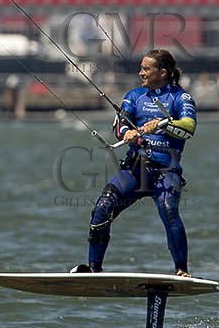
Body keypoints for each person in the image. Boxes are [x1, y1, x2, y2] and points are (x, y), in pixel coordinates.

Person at [72, 48, 197, 277]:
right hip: (136, 169)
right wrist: (127, 132)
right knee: (103, 207)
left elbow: (189, 129)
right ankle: (93, 270)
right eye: (140, 68)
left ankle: (182, 270)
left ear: (163, 72)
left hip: (166, 172)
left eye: (146, 69)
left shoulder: (181, 98)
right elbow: (119, 125)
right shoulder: (134, 96)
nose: (141, 73)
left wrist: (162, 124)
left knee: (169, 211)